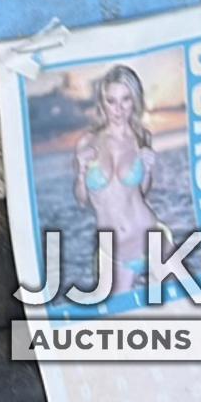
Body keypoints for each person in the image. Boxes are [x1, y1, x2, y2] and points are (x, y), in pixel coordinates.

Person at [73, 63, 160, 301]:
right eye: (111, 101)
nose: (118, 109)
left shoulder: (142, 137)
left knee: (190, 306)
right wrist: (81, 172)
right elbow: (82, 200)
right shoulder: (88, 143)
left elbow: (141, 192)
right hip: (116, 252)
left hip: (149, 236)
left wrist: (148, 170)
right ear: (102, 102)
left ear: (135, 101)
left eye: (126, 100)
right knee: (118, 324)